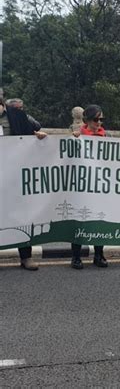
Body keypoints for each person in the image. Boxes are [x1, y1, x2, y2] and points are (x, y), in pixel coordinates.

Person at [70, 105, 120, 270]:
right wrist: (74, 138)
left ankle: (99, 254)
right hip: (82, 186)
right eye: (96, 119)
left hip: (101, 185)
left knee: (100, 218)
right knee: (80, 220)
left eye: (101, 119)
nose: (99, 123)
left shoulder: (107, 135)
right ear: (87, 120)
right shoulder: (78, 136)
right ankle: (76, 256)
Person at [0, 97, 47, 270]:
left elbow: (30, 132)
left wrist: (37, 136)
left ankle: (26, 257)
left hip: (14, 172)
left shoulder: (16, 115)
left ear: (2, 105)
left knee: (20, 214)